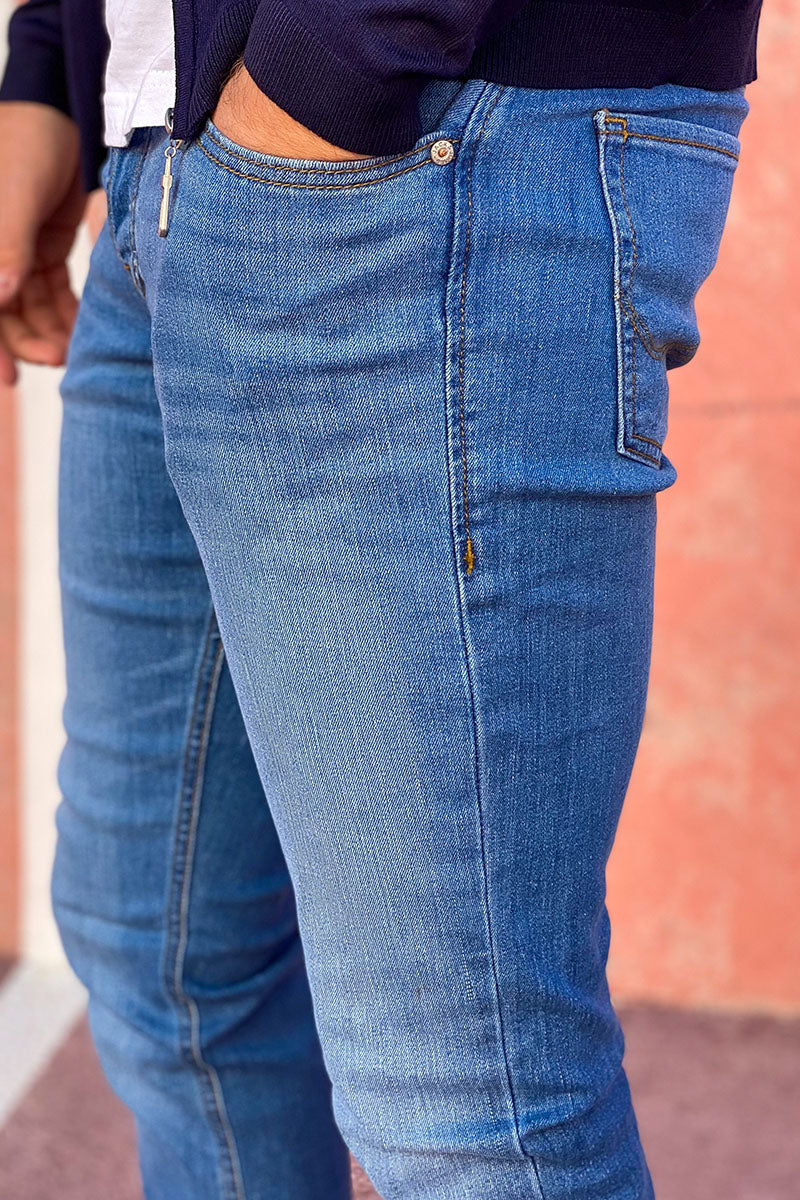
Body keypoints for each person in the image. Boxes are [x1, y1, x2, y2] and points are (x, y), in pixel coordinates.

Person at [0, 1, 762, 1197]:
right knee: (167, 962)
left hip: (415, 146)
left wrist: (326, 64)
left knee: (464, 1095)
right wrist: (51, 68)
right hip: (163, 165)